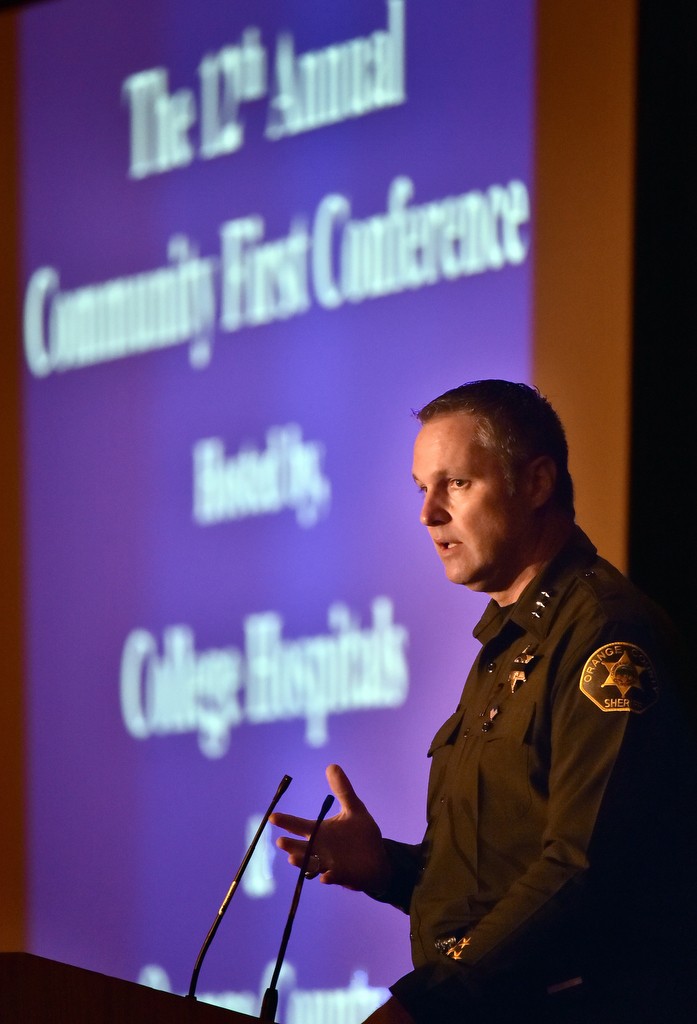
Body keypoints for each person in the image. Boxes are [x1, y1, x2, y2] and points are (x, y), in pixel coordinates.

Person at [270, 379, 697, 1023]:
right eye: (423, 488)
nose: (428, 514)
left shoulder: (604, 636)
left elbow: (585, 868)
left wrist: (422, 1006)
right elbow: (494, 883)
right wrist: (386, 867)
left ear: (536, 483)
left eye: (456, 484)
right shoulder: (509, 646)